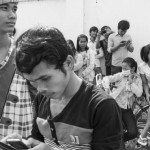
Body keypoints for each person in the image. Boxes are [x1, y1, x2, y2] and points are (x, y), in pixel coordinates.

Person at [2, 26, 124, 150]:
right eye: (32, 82)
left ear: (69, 63)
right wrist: (26, 143)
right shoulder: (42, 99)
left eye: (45, 78)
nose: (40, 89)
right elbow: (38, 140)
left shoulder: (102, 106)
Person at [0, 0, 35, 140]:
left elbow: (40, 100)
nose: (12, 15)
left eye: (14, 9)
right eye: (4, 8)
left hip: (18, 137)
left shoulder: (25, 53)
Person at [102, 57, 142, 142]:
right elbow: (106, 78)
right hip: (115, 106)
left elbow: (139, 93)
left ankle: (117, 141)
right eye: (122, 68)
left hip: (127, 109)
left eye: (125, 68)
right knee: (112, 128)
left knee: (133, 132)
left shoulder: (137, 79)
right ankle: (112, 142)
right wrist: (107, 87)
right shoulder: (120, 75)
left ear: (133, 69)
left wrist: (131, 82)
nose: (123, 70)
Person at [136, 44, 150, 147]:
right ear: (146, 55)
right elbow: (145, 83)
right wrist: (148, 94)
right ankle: (144, 136)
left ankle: (143, 136)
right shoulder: (142, 67)